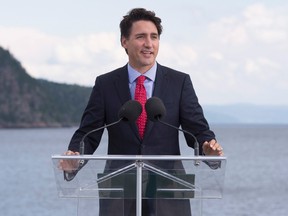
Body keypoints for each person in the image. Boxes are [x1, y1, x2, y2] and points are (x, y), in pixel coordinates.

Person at [60, 8, 224, 216]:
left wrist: (208, 150)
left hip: (168, 189)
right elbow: (88, 133)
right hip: (119, 190)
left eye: (154, 37)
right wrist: (74, 158)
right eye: (140, 37)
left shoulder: (179, 82)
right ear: (124, 42)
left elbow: (198, 130)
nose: (149, 44)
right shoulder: (106, 84)